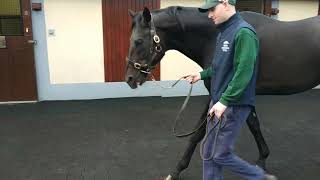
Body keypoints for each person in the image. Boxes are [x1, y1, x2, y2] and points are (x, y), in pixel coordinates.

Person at [184, 0, 277, 179]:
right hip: (218, 103)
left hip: (234, 105)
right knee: (209, 152)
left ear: (225, 3)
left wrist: (224, 101)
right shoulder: (223, 33)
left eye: (212, 9)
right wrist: (201, 75)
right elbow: (220, 66)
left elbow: (244, 72)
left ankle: (259, 176)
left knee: (220, 154)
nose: (209, 15)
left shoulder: (244, 33)